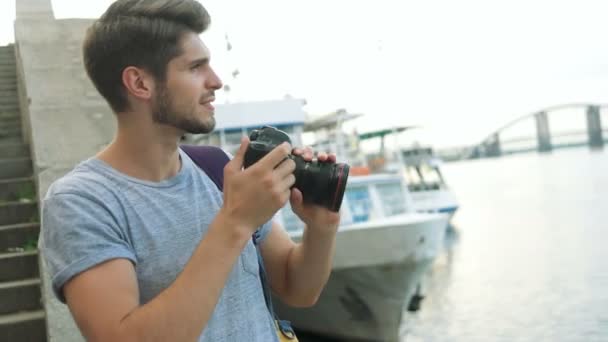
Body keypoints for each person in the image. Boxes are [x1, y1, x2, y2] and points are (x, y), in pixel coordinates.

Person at [39, 0, 341, 341]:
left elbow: (297, 288)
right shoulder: (81, 202)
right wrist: (235, 222)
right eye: (196, 67)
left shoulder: (215, 167)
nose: (216, 81)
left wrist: (321, 226)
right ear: (139, 83)